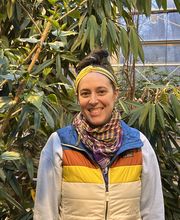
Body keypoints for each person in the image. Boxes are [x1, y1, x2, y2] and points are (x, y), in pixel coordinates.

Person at [33, 49, 165, 220]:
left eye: (101, 91)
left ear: (115, 94)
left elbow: (152, 210)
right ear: (78, 98)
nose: (93, 100)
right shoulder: (60, 144)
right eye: (85, 93)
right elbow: (45, 212)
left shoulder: (138, 143)